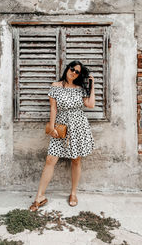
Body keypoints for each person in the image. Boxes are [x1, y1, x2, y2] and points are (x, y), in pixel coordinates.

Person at [29, 60, 96, 211]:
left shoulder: (80, 89)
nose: (73, 72)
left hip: (78, 126)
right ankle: (40, 196)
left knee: (76, 160)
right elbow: (53, 108)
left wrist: (92, 85)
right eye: (72, 69)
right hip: (61, 126)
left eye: (77, 72)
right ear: (67, 68)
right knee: (50, 159)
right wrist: (52, 126)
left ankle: (73, 193)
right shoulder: (55, 86)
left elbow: (90, 105)